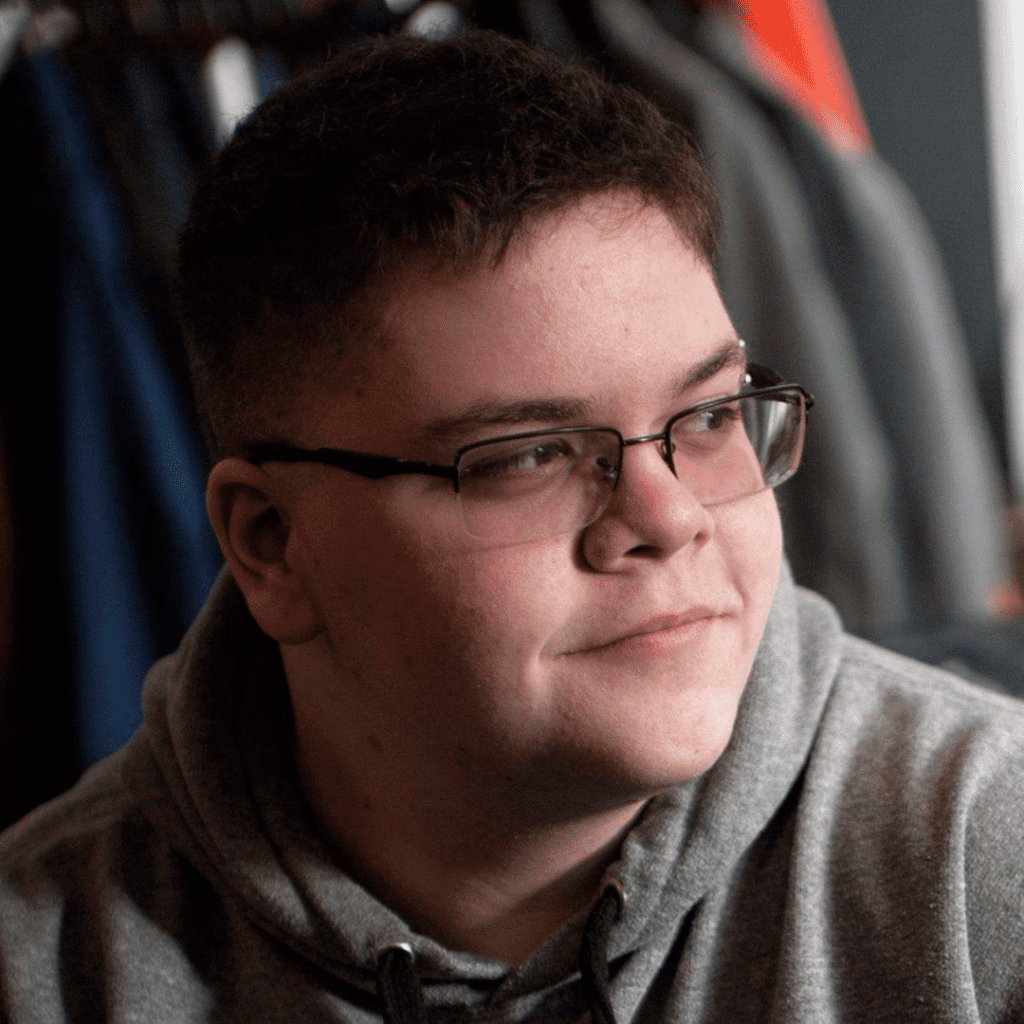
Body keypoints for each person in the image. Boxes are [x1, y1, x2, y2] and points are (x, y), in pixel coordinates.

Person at [2, 28, 1024, 1024]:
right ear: (271, 540)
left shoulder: (990, 865)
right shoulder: (38, 963)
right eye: (530, 455)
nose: (668, 519)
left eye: (707, 417)